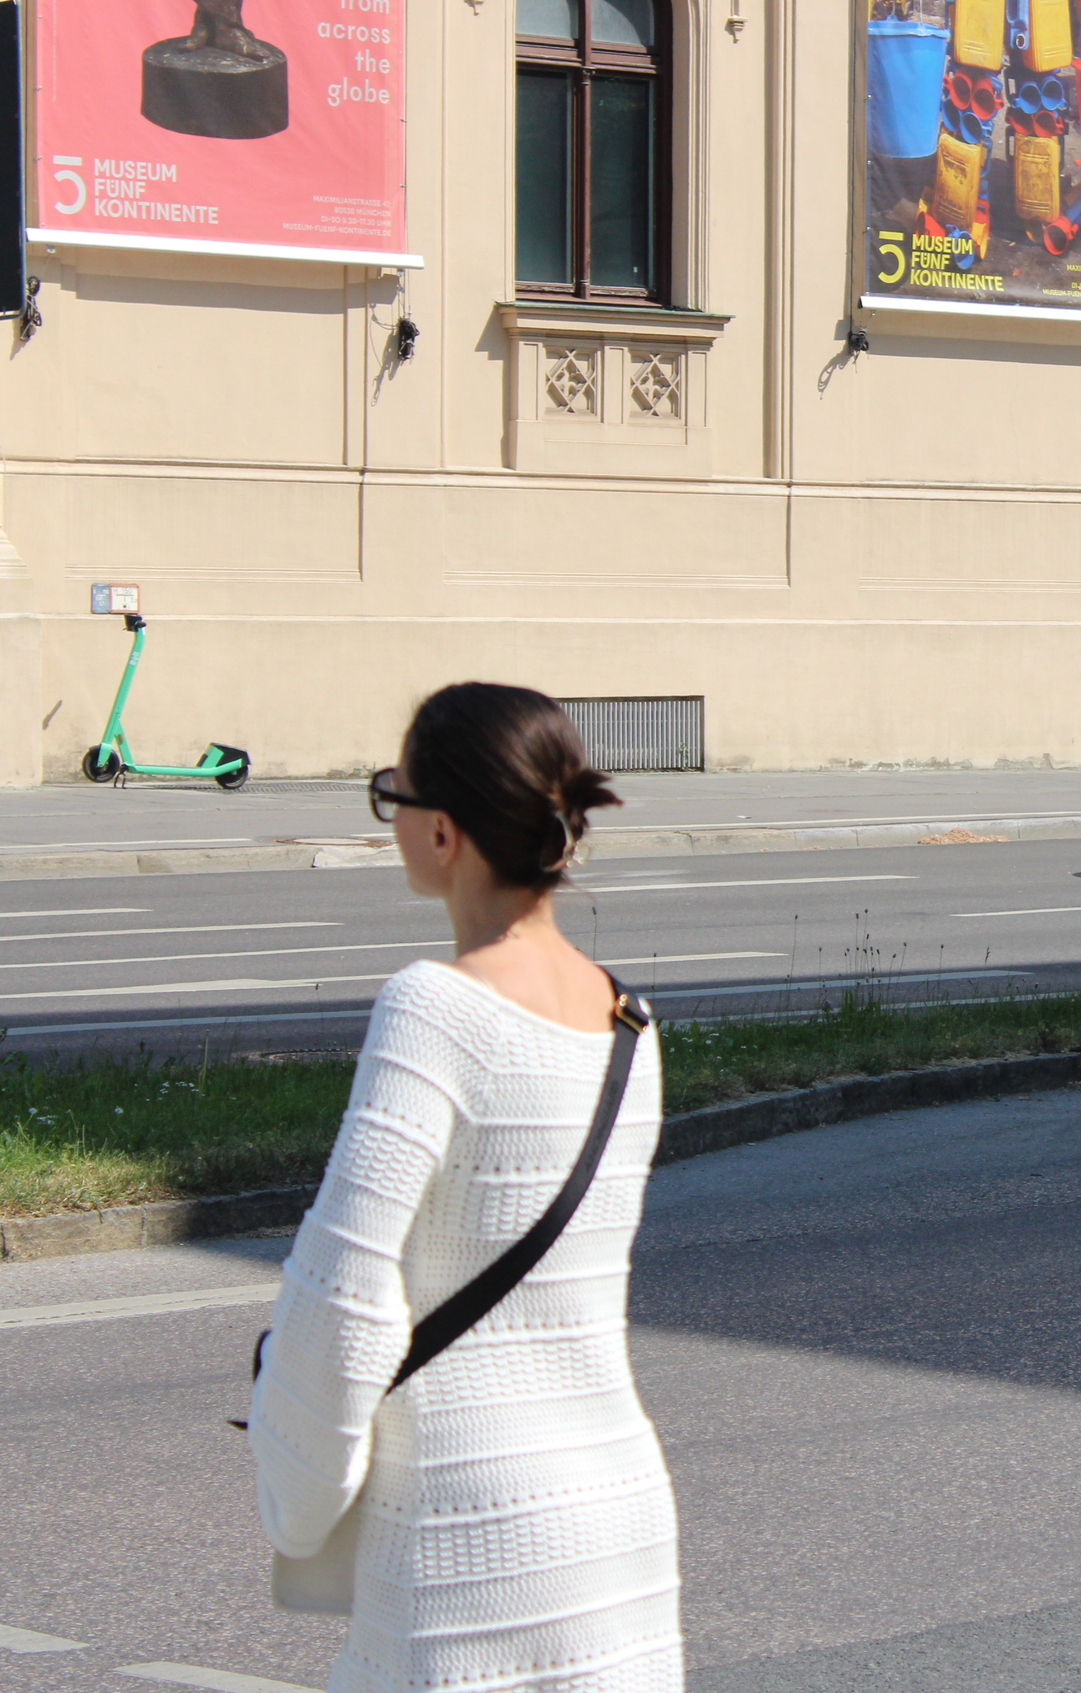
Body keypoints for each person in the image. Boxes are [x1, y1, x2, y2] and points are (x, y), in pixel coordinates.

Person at [249, 683, 683, 1689]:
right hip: (614, 1510)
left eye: (392, 795)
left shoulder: (432, 1008)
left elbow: (345, 1291)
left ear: (442, 831)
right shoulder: (629, 1022)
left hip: (465, 1521)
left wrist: (295, 1479)